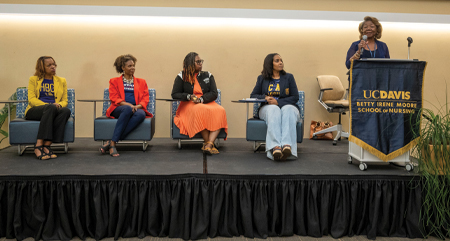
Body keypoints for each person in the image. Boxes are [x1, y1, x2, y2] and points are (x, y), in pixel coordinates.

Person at [171, 52, 228, 155]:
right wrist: (189, 96)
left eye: (201, 61)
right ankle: (209, 144)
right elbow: (175, 94)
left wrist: (201, 99)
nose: (200, 64)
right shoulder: (181, 76)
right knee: (200, 109)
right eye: (198, 62)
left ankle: (208, 145)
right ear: (190, 63)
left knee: (221, 110)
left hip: (206, 102)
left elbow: (214, 93)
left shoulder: (208, 75)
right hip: (189, 104)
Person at [100, 54, 153, 157]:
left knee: (141, 114)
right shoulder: (114, 81)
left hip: (135, 108)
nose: (132, 68)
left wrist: (136, 107)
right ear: (122, 68)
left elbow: (145, 99)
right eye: (129, 66)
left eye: (133, 65)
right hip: (119, 108)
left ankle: (112, 142)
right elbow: (114, 98)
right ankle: (113, 145)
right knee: (127, 109)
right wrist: (128, 105)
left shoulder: (141, 82)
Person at [250, 53, 299, 161]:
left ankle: (287, 146)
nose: (280, 62)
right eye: (277, 60)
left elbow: (295, 97)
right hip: (268, 108)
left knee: (288, 109)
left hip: (287, 106)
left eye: (281, 60)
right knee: (274, 109)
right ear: (269, 63)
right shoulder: (262, 78)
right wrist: (265, 97)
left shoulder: (289, 77)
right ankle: (275, 147)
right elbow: (253, 95)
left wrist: (278, 102)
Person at [25, 56, 71, 160]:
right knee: (50, 108)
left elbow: (65, 100)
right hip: (35, 110)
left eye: (54, 64)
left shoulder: (61, 80)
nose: (53, 67)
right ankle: (38, 145)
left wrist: (59, 105)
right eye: (49, 65)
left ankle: (47, 145)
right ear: (41, 67)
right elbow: (31, 99)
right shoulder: (33, 80)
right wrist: (48, 105)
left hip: (54, 109)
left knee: (66, 111)